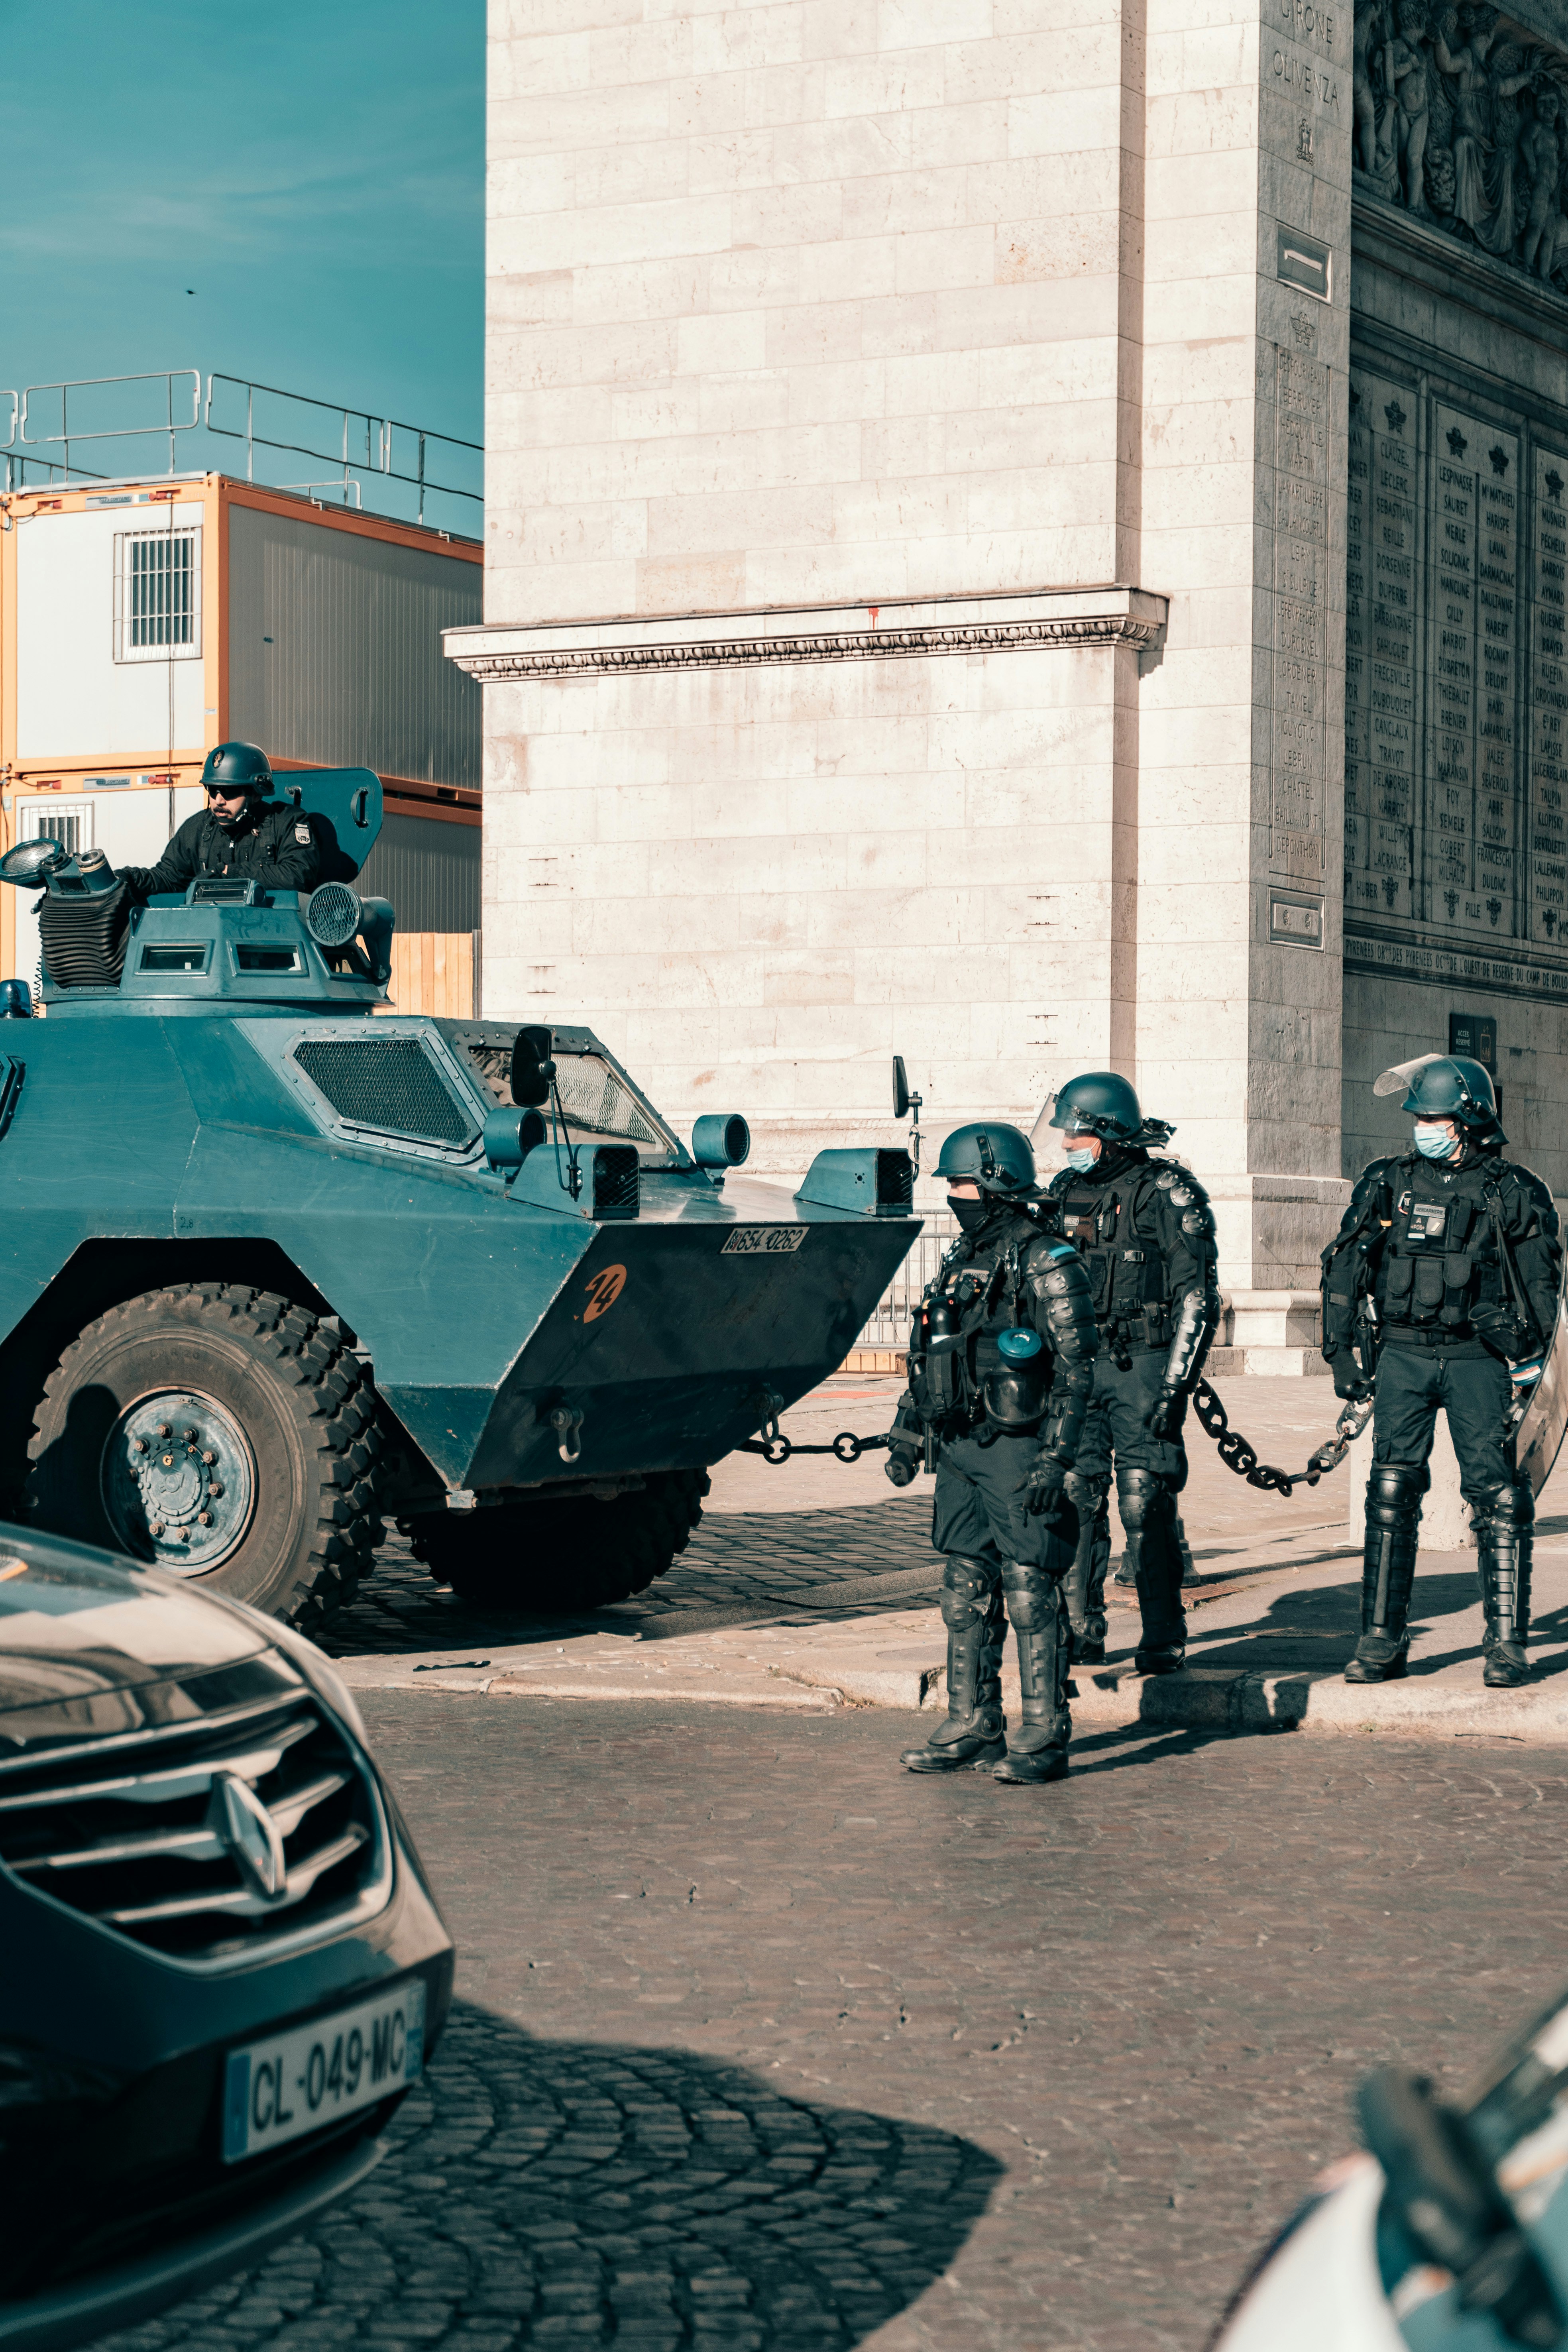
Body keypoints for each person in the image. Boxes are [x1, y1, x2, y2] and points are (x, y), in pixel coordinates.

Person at [1320, 1054, 1560, 1688]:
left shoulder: (1513, 1190)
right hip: (1400, 1354)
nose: (1423, 1126)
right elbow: (1343, 1268)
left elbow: (1540, 1289)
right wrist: (1341, 1353)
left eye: (1435, 1116)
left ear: (1469, 1118)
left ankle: (1506, 1644)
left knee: (1498, 1498)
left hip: (1474, 1360)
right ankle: (1379, 1639)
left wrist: (1528, 1366)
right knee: (1391, 1491)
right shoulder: (1385, 1182)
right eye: (1420, 1116)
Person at [886, 1122, 1097, 1786]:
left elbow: (1075, 1366)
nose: (953, 1195)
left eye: (961, 1183)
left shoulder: (1046, 1259)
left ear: (996, 1182)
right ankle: (971, 1719)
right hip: (958, 1446)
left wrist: (1055, 1458)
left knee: (1030, 1587)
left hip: (1018, 1446)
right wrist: (906, 1431)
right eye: (951, 1185)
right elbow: (930, 1357)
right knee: (962, 1588)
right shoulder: (960, 1257)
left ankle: (1043, 1730)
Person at [1039, 1073, 1220, 1676]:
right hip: (1080, 1369)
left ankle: (1162, 1632)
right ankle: (1080, 1629)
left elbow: (1197, 1295)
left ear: (1110, 1132)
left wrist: (1176, 1386)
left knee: (1145, 1498)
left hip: (1144, 1364)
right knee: (1076, 1495)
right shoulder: (1065, 1190)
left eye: (1078, 1131)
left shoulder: (1165, 1190)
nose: (1068, 1142)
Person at [122, 742, 321, 899]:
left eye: (229, 792)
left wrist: (228, 873)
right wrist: (128, 879)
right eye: (212, 789)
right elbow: (169, 877)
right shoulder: (198, 827)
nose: (218, 800)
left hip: (273, 937)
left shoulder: (287, 822)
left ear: (256, 793)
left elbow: (297, 875)